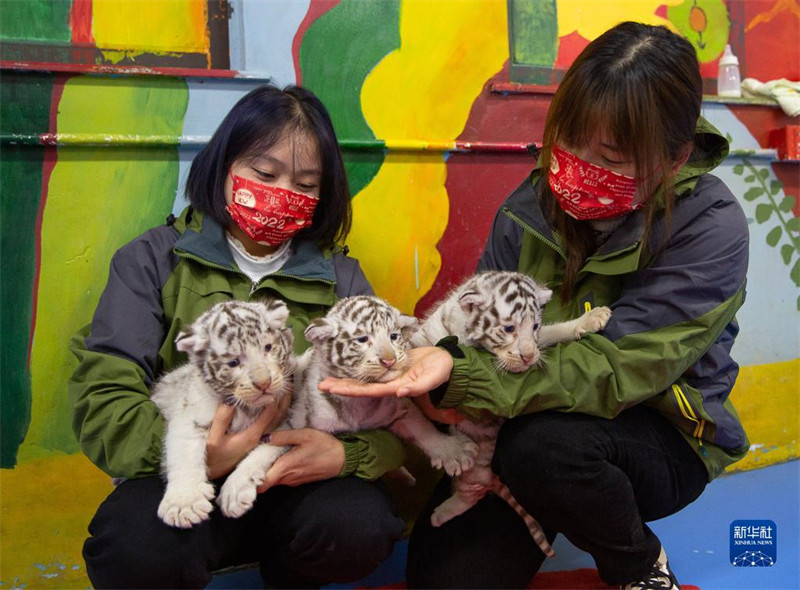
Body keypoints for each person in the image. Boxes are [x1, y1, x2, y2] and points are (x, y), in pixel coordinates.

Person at [319, 22, 750, 590]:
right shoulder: (528, 204)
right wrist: (442, 378)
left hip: (655, 429)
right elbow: (475, 330)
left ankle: (638, 565)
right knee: (449, 578)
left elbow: (616, 368)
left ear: (674, 160)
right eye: (567, 140)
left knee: (545, 449)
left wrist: (462, 377)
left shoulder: (712, 226)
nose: (575, 167)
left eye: (612, 157)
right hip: (521, 419)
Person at [69, 85, 406, 589]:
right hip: (180, 475)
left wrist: (347, 456)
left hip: (292, 481)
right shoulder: (152, 260)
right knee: (133, 547)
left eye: (307, 183)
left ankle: (289, 577)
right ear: (223, 164)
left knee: (359, 524)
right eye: (265, 174)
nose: (283, 193)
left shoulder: (343, 282)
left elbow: (393, 404)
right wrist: (200, 456)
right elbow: (104, 400)